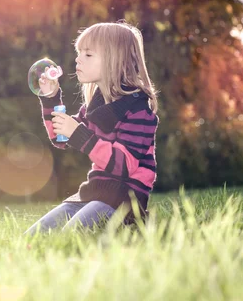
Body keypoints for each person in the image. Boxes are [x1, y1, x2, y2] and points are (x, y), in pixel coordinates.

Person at [24, 20, 159, 235]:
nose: (78, 59)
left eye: (88, 54)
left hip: (125, 200)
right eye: (79, 53)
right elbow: (60, 139)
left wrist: (78, 133)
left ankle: (135, 224)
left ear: (115, 60)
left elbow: (124, 166)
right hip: (93, 194)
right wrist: (51, 99)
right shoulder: (94, 108)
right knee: (33, 237)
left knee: (70, 237)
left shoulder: (138, 110)